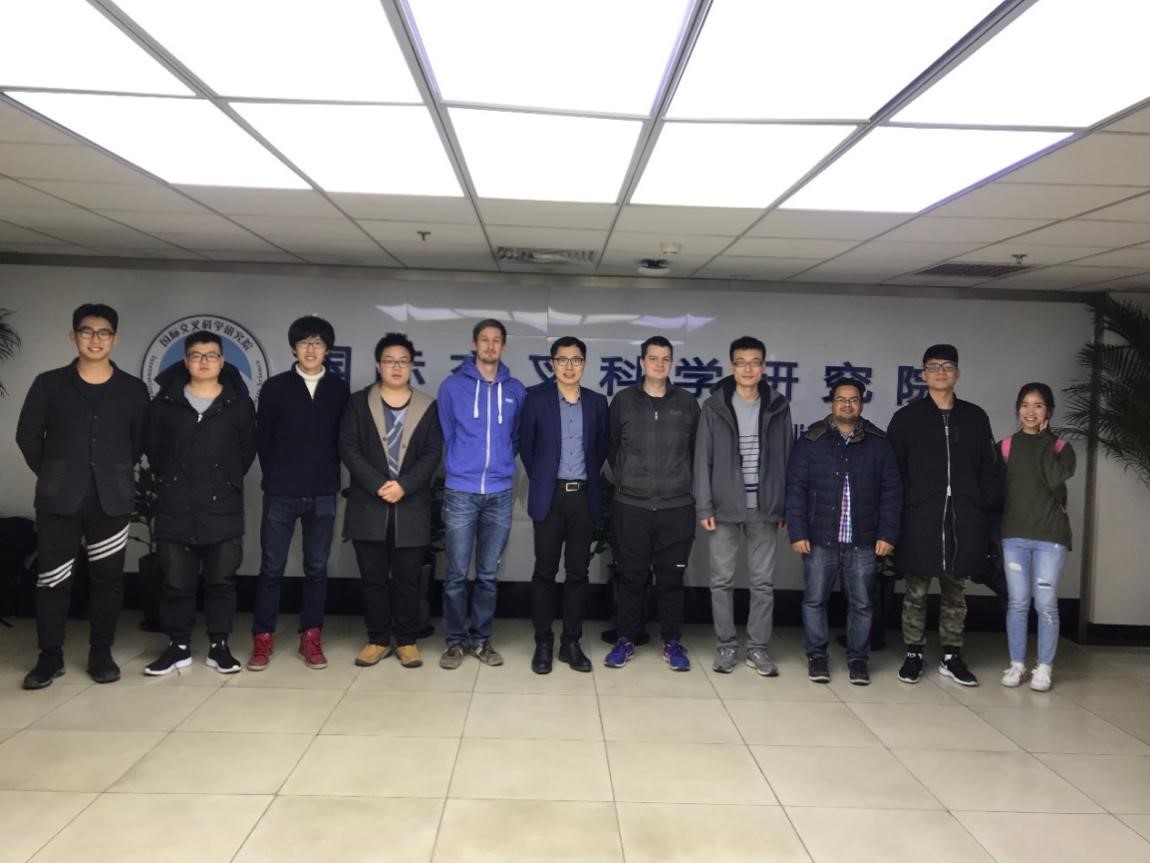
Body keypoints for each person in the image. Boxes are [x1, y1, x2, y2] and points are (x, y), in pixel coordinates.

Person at [16, 303, 149, 689]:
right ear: (73, 336)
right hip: (59, 500)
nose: (95, 339)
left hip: (111, 500)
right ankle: (50, 656)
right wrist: (54, 473)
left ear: (115, 339)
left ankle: (101, 653)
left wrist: (110, 472)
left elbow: (138, 441)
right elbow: (27, 436)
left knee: (108, 580)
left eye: (104, 332)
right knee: (52, 579)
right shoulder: (49, 384)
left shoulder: (133, 389)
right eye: (87, 331)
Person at [143, 331, 257, 675]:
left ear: (221, 362)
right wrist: (174, 480)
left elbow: (246, 452)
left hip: (222, 506)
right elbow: (154, 450)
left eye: (211, 356)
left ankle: (219, 646)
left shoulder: (238, 404)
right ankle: (177, 646)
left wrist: (224, 480)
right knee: (176, 582)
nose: (204, 361)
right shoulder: (165, 403)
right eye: (196, 355)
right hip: (176, 505)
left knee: (221, 581)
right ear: (186, 361)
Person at [887, 344, 1000, 687]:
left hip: (963, 518)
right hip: (920, 517)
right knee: (916, 591)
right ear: (923, 374)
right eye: (933, 366)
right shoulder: (907, 418)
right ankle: (914, 653)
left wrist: (980, 504)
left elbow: (989, 467)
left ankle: (952, 655)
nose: (940, 371)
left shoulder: (975, 417)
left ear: (957, 373)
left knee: (956, 592)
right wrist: (904, 508)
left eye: (947, 366)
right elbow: (893, 472)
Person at [248, 316, 349, 671]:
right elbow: (263, 440)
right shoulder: (275, 387)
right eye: (304, 342)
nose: (310, 349)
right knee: (271, 569)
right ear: (294, 347)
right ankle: (263, 638)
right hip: (281, 492)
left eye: (317, 343)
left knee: (317, 568)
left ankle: (311, 636)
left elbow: (343, 440)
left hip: (323, 492)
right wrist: (277, 477)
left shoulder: (338, 389)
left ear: (327, 349)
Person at [786, 377, 902, 685]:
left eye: (853, 399)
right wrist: (797, 531)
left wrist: (887, 534)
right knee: (814, 600)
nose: (847, 404)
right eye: (841, 399)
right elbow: (795, 489)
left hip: (863, 539)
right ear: (831, 404)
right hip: (819, 538)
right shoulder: (811, 441)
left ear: (861, 404)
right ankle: (817, 657)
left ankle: (858, 659)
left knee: (862, 603)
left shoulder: (879, 443)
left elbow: (892, 492)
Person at [340, 333, 442, 669]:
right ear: (378, 365)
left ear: (412, 366)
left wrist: (404, 486)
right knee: (373, 579)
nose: (396, 367)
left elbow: (432, 454)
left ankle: (407, 641)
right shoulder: (358, 403)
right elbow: (348, 448)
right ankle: (378, 639)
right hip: (369, 505)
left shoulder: (428, 406)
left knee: (408, 580)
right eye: (389, 361)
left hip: (411, 507)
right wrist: (379, 485)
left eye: (402, 361)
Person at [694, 336, 792, 676]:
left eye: (754, 362)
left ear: (763, 367)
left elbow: (787, 457)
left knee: (763, 583)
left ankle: (758, 648)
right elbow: (702, 458)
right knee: (721, 581)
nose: (748, 369)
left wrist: (785, 505)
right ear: (731, 366)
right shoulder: (714, 406)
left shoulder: (778, 405)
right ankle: (726, 646)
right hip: (723, 506)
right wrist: (704, 506)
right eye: (741, 362)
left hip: (765, 507)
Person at [605, 335, 700, 671]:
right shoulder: (623, 401)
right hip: (632, 506)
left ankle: (672, 642)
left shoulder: (687, 402)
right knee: (631, 577)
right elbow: (611, 448)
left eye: (666, 359)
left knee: (671, 580)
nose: (660, 364)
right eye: (653, 358)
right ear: (642, 362)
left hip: (676, 506)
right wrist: (628, 480)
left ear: (671, 363)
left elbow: (696, 452)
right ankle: (625, 640)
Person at [436, 319, 526, 669]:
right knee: (457, 574)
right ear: (474, 344)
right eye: (484, 340)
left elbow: (516, 438)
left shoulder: (515, 390)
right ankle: (455, 641)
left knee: (488, 575)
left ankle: (481, 640)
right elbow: (447, 433)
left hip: (499, 493)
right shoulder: (452, 386)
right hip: (461, 490)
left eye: (496, 340)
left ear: (503, 346)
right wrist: (462, 464)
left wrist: (500, 464)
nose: (490, 346)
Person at [519, 336, 609, 674]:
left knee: (577, 573)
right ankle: (543, 641)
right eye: (562, 360)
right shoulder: (535, 401)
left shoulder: (597, 402)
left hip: (583, 497)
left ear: (584, 364)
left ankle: (571, 642)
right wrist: (545, 478)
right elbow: (527, 449)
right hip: (549, 497)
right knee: (544, 572)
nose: (569, 366)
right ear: (552, 364)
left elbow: (600, 449)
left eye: (576, 360)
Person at [998, 383, 1075, 692]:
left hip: (1050, 537)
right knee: (1017, 602)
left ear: (1048, 411)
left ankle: (1044, 666)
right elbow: (997, 490)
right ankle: (1017, 664)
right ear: (1018, 409)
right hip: (1014, 535)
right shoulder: (1005, 447)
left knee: (1045, 603)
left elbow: (1055, 479)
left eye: (1038, 405)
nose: (1030, 411)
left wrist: (1043, 440)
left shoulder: (1061, 447)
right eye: (1025, 405)